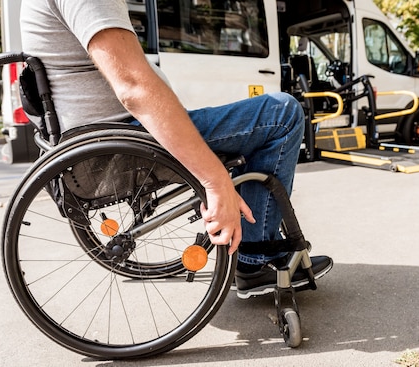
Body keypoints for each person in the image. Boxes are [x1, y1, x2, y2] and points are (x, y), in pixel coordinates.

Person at [20, 0, 332, 299]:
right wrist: (215, 181)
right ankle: (255, 260)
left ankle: (255, 242)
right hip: (126, 138)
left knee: (249, 127)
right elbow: (133, 87)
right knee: (283, 112)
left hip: (103, 139)